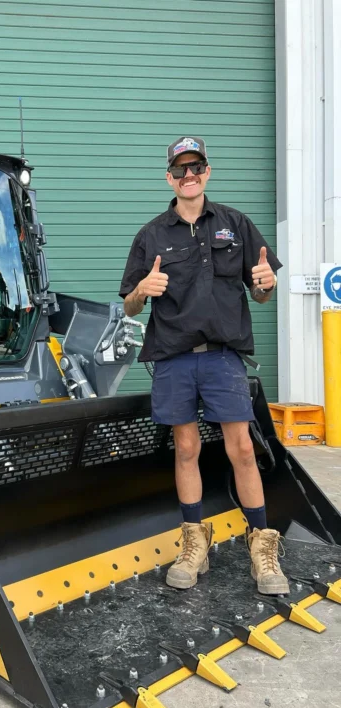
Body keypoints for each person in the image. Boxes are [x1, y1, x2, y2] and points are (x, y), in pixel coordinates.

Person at [119, 135, 288, 595]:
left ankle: (261, 547)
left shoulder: (236, 223)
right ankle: (195, 542)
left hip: (224, 357)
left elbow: (261, 289)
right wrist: (142, 291)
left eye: (196, 168)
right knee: (187, 448)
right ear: (168, 177)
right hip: (173, 358)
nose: (188, 176)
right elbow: (131, 306)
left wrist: (267, 283)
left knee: (243, 450)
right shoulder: (151, 235)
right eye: (180, 170)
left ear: (207, 172)